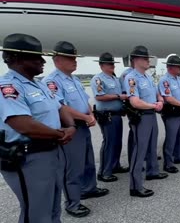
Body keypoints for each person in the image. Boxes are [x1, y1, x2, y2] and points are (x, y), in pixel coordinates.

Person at [0, 33, 76, 223]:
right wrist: (60, 133)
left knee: (52, 207)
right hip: (29, 159)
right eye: (35, 57)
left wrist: (71, 126)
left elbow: (61, 107)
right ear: (16, 58)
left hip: (52, 152)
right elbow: (23, 124)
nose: (43, 61)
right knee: (36, 211)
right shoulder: (9, 86)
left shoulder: (39, 85)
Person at [43, 41, 108, 217]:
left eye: (75, 57)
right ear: (57, 60)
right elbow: (61, 107)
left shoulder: (74, 79)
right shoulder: (52, 81)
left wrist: (90, 114)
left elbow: (84, 101)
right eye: (70, 58)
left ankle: (88, 188)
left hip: (83, 126)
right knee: (72, 167)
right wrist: (85, 117)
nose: (74, 61)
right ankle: (72, 203)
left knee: (87, 161)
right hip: (70, 128)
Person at [124, 45, 167, 198]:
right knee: (139, 151)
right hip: (142, 116)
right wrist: (154, 105)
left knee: (151, 146)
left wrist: (160, 100)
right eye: (145, 58)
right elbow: (135, 102)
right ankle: (135, 186)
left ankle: (152, 172)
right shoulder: (131, 78)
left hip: (151, 114)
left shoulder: (148, 76)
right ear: (135, 60)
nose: (148, 60)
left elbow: (157, 93)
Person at [90, 52, 129, 183]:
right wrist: (118, 97)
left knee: (117, 142)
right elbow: (99, 96)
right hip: (107, 115)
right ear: (101, 65)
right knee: (109, 143)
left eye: (112, 63)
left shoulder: (114, 78)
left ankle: (115, 165)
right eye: (109, 64)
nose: (112, 66)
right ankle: (104, 172)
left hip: (117, 115)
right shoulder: (98, 79)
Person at [159, 54, 180, 173]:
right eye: (178, 66)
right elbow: (168, 98)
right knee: (171, 138)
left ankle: (179, 157)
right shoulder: (165, 80)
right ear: (170, 67)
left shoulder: (179, 79)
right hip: (171, 112)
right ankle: (168, 163)